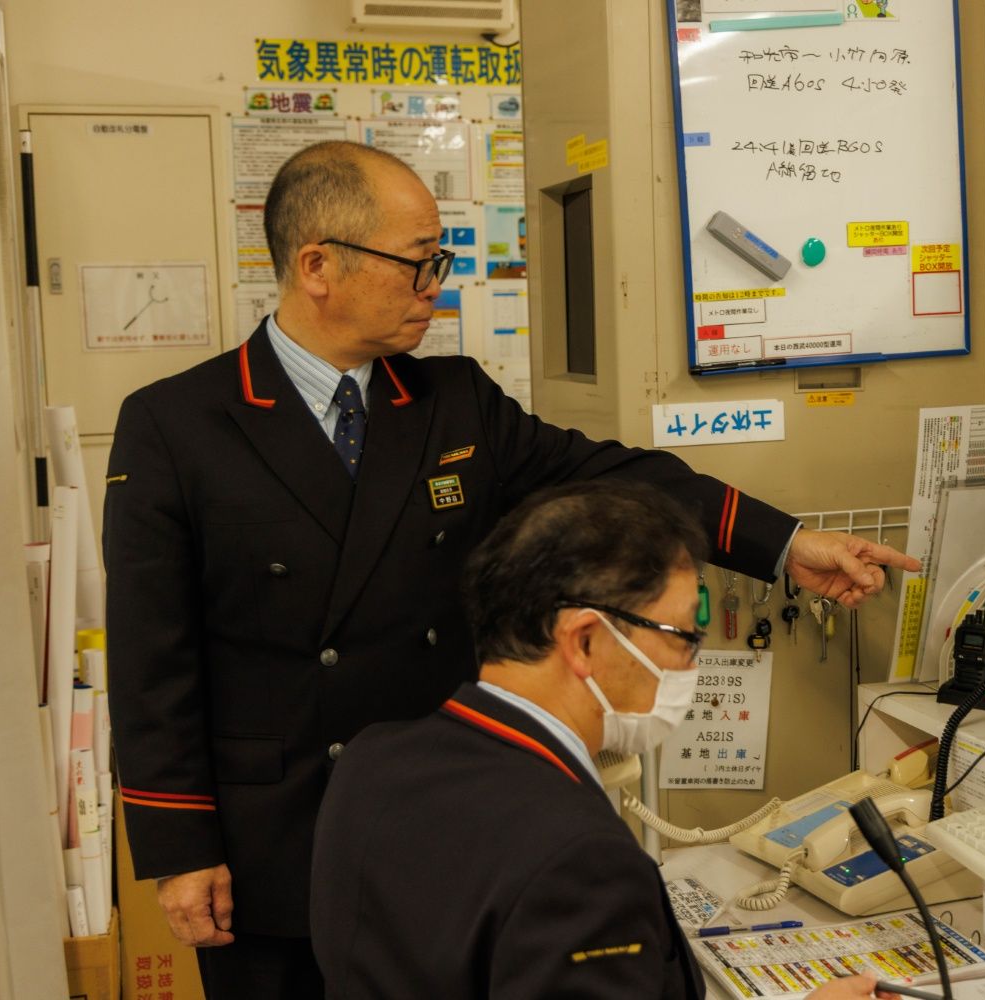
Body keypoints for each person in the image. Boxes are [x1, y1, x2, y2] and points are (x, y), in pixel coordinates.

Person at [103, 139, 919, 997]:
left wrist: (787, 544)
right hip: (273, 834)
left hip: (447, 815)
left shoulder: (450, 398)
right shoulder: (177, 424)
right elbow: (151, 657)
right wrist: (179, 846)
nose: (436, 286)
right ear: (317, 266)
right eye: (418, 262)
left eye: (440, 261)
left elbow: (611, 475)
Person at [310, 480, 898, 999]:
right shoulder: (582, 862)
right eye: (682, 637)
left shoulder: (373, 758)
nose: (690, 665)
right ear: (585, 641)